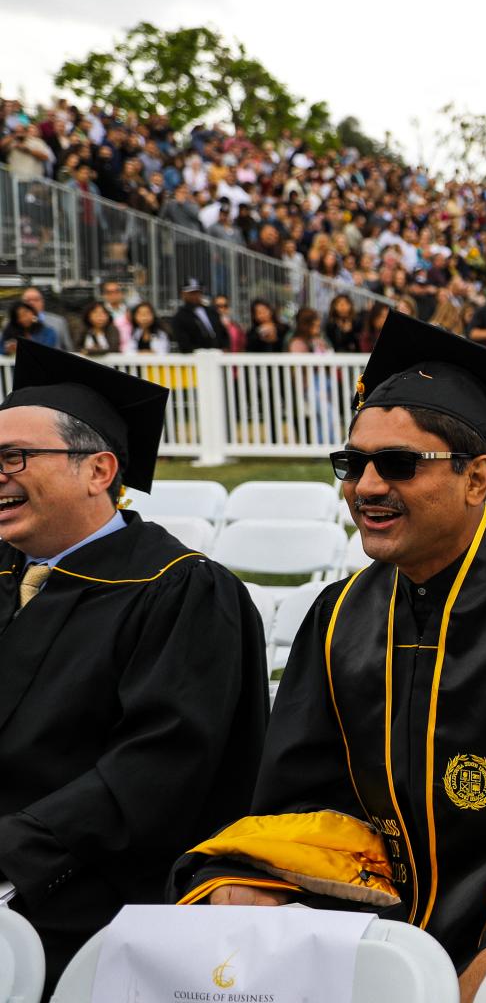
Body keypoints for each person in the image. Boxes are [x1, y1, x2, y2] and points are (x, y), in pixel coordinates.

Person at [172, 315, 486, 1003]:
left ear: (477, 478)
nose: (367, 485)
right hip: (366, 938)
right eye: (353, 464)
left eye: (399, 463)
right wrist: (250, 881)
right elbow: (300, 803)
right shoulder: (339, 617)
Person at [0, 341, 266, 990]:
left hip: (90, 905)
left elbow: (157, 768)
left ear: (99, 471)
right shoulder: (8, 575)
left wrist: (13, 853)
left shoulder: (180, 591)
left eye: (15, 457)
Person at [168, 279, 225, 352]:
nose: (195, 295)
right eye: (191, 293)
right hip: (195, 358)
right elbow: (183, 342)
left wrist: (224, 348)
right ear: (183, 294)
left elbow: (222, 332)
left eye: (197, 292)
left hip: (218, 355)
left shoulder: (212, 312)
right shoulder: (179, 317)